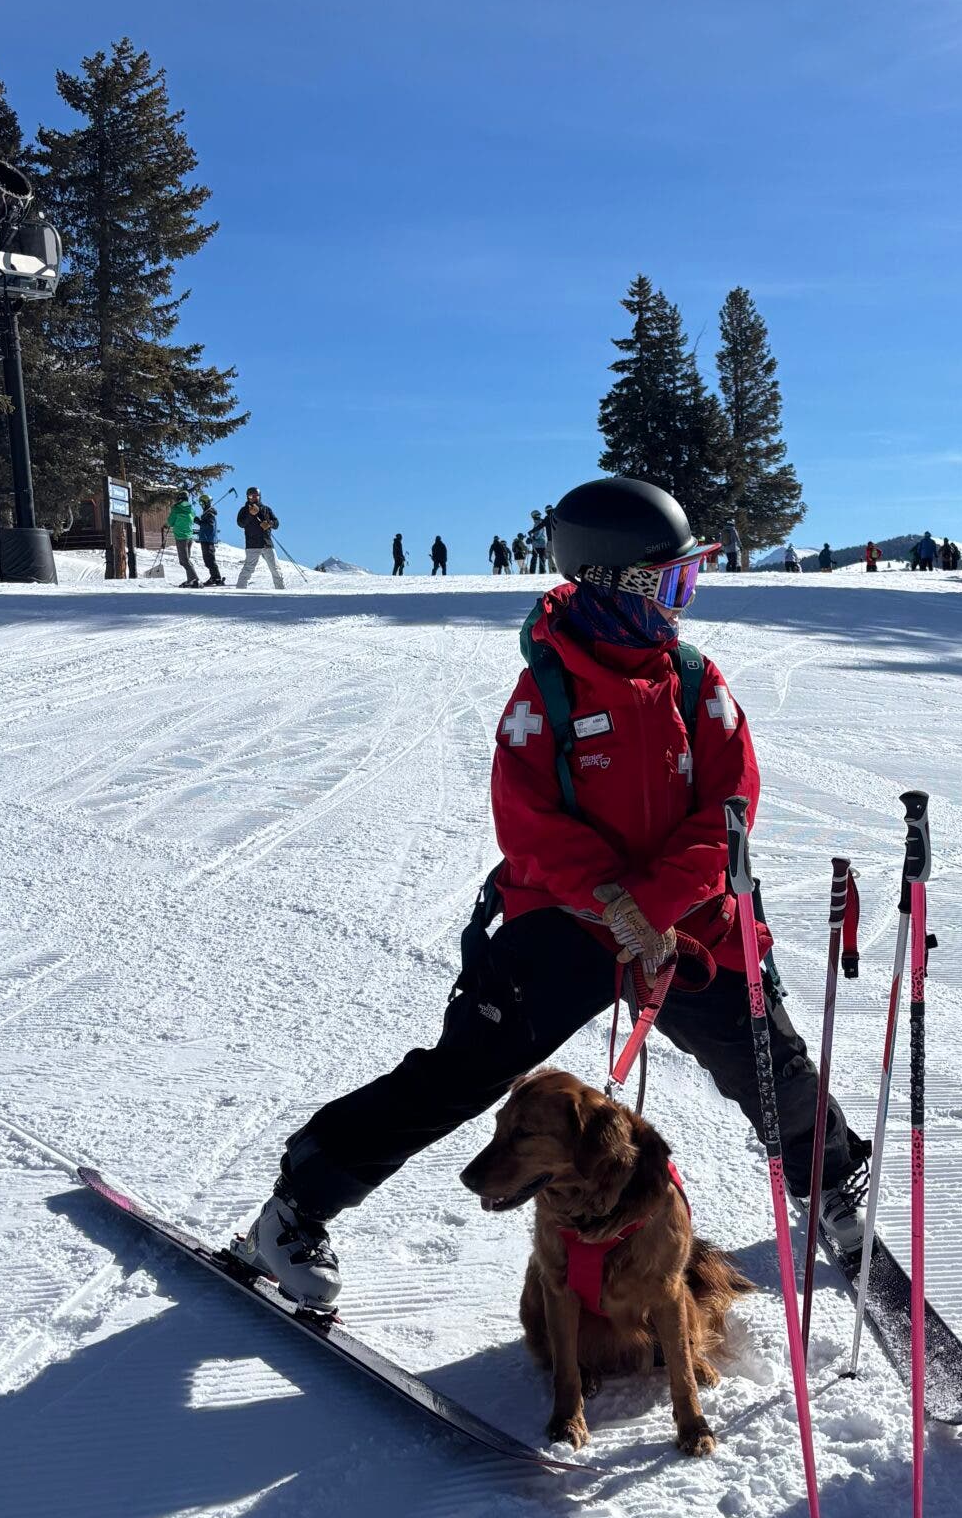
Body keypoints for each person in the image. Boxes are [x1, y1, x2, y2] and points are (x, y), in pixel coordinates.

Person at [234, 475, 871, 1311]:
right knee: (467, 1071)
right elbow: (529, 825)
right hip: (573, 919)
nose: (682, 603)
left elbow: (731, 805)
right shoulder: (548, 694)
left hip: (682, 918)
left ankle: (832, 1183)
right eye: (670, 583)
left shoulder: (693, 680)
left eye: (688, 581)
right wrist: (613, 902)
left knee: (766, 1060)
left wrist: (656, 905)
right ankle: (296, 1208)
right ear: (610, 585)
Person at [236, 488, 284, 589]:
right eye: (251, 496)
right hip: (252, 544)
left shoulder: (266, 509)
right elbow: (241, 523)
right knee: (248, 569)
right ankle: (240, 589)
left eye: (256, 495)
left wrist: (269, 523)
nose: (254, 498)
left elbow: (276, 523)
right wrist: (250, 514)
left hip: (267, 543)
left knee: (275, 569)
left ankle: (281, 591)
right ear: (247, 497)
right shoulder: (244, 510)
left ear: (259, 496)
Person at [166, 494, 202, 588]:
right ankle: (191, 580)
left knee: (184, 561)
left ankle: (195, 579)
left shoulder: (176, 508)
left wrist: (168, 523)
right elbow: (193, 519)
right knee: (186, 560)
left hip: (181, 537)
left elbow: (170, 522)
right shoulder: (191, 509)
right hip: (189, 537)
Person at [197, 492, 226, 586]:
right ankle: (214, 577)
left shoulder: (209, 514)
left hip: (208, 539)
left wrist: (199, 522)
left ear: (206, 502)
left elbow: (210, 525)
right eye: (200, 503)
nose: (201, 505)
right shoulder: (206, 513)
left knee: (210, 559)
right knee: (207, 560)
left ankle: (216, 578)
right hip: (205, 538)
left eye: (202, 503)